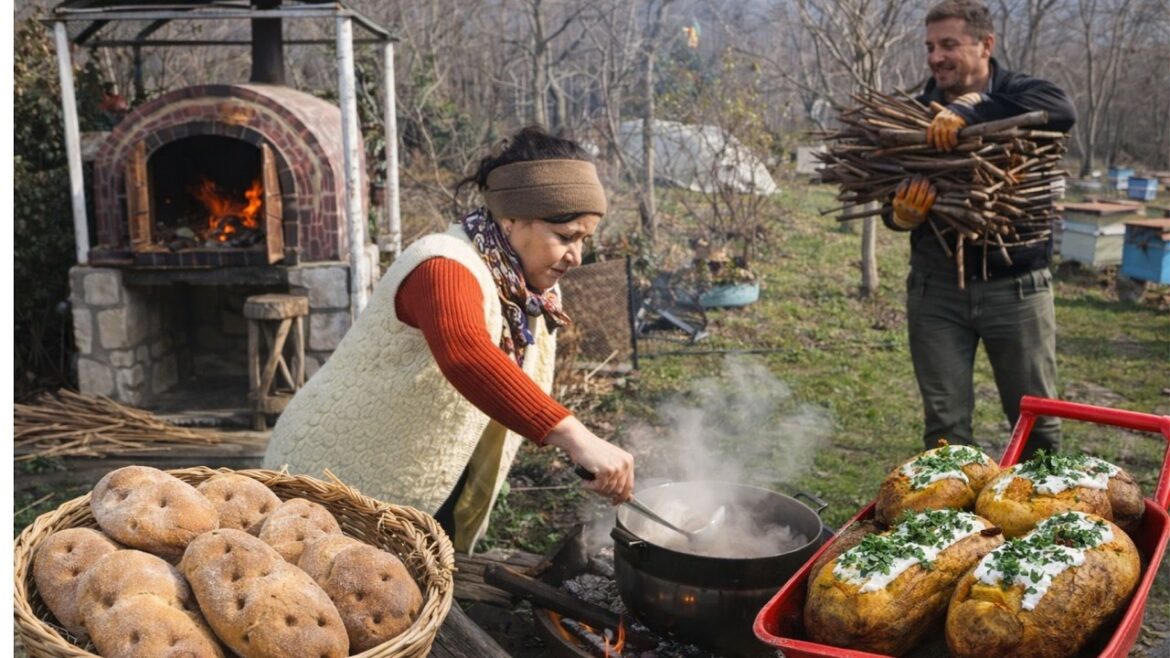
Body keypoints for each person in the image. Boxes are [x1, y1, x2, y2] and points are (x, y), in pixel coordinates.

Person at [263, 126, 635, 553]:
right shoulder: (442, 264)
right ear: (511, 218)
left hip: (422, 476)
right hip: (331, 474)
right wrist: (576, 436)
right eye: (566, 237)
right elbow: (466, 355)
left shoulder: (528, 290)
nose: (577, 257)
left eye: (584, 239)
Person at [883, 0, 1077, 459]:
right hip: (937, 293)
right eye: (930, 46)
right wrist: (901, 215)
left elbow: (1063, 109)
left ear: (986, 44)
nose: (936, 58)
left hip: (1017, 290)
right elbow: (887, 199)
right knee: (945, 431)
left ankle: (1044, 525)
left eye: (949, 44)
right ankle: (959, 526)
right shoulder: (915, 113)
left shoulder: (1020, 91)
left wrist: (974, 109)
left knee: (1038, 429)